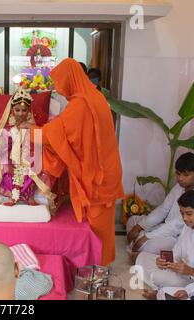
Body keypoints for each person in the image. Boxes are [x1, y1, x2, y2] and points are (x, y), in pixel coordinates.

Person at [28, 58, 124, 266]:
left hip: (98, 174)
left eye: (59, 83)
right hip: (106, 168)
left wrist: (30, 133)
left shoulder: (81, 104)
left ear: (70, 80)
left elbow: (59, 134)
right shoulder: (94, 97)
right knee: (102, 223)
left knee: (97, 225)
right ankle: (99, 265)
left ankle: (97, 269)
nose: (59, 89)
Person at [127, 153, 194, 257]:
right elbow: (163, 209)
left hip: (181, 237)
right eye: (178, 173)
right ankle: (139, 248)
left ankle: (138, 247)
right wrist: (139, 226)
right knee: (133, 221)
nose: (180, 178)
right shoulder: (180, 186)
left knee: (148, 245)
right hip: (166, 227)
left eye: (186, 175)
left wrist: (147, 237)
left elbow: (177, 226)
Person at [136, 190, 194, 300]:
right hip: (183, 275)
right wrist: (165, 262)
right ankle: (164, 291)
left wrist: (191, 273)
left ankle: (161, 293)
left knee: (162, 285)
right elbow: (177, 253)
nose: (185, 218)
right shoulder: (188, 226)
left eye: (189, 213)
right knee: (143, 258)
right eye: (182, 213)